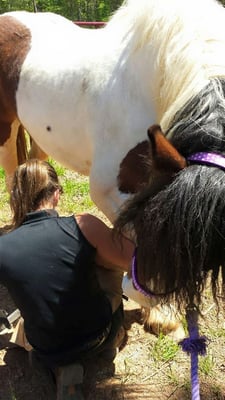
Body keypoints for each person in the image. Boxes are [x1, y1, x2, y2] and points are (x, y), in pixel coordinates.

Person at [0, 159, 135, 400]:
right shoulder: (83, 225)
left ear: (16, 199)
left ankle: (62, 366)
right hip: (97, 335)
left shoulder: (3, 246)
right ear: (56, 194)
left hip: (47, 347)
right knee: (108, 265)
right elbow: (132, 261)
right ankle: (110, 344)